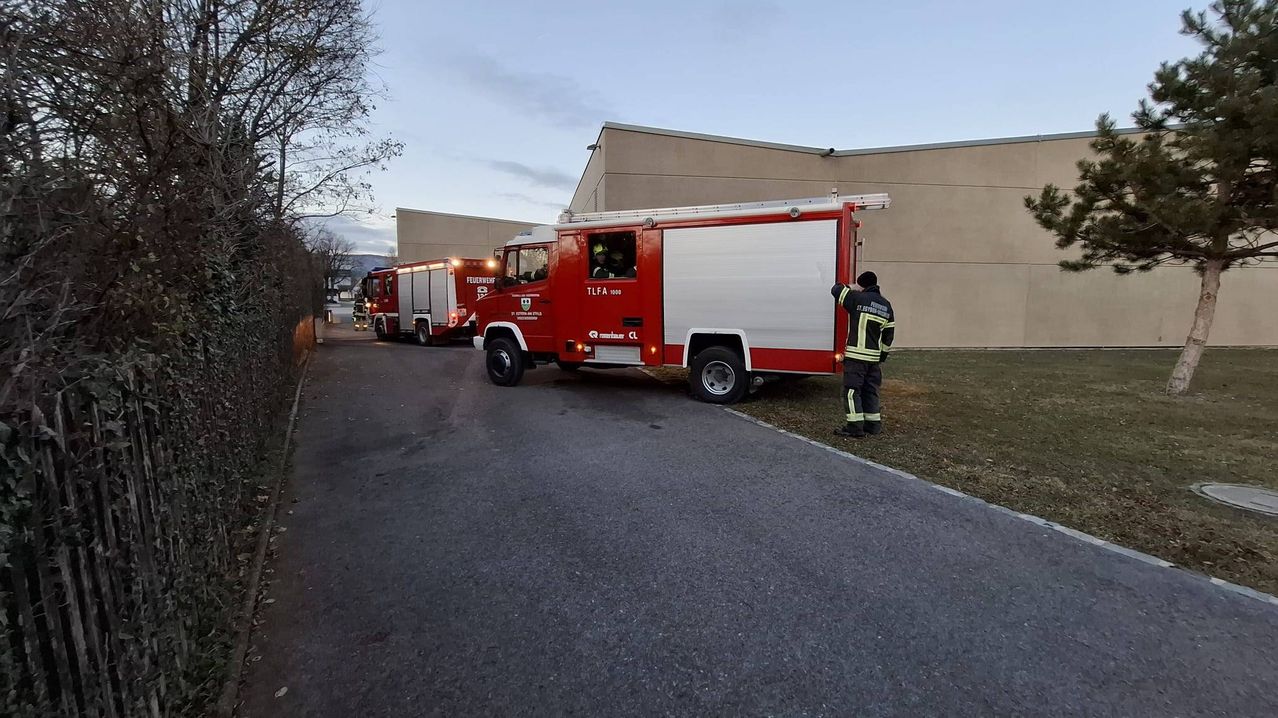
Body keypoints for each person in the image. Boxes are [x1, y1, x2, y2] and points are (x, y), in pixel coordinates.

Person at [830, 271, 895, 437]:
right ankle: (873, 425)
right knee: (870, 391)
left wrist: (852, 287)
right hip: (873, 360)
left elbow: (836, 289)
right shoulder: (886, 305)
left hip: (856, 358)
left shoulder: (857, 299)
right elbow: (888, 336)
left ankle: (854, 427)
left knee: (852, 391)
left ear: (862, 285)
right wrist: (881, 356)